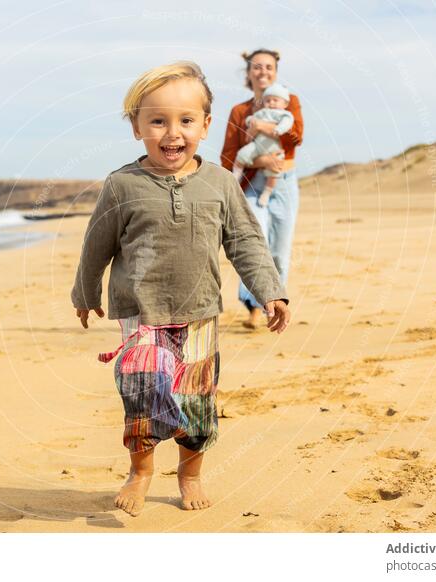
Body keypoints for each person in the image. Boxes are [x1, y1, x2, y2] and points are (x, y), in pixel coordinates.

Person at [71, 62, 291, 517]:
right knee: (142, 391)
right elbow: (97, 244)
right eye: (158, 121)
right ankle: (142, 471)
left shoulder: (220, 183)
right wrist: (86, 294)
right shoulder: (122, 185)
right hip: (140, 312)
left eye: (186, 120)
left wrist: (271, 290)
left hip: (199, 312)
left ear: (205, 125)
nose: (173, 133)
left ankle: (189, 475)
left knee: (195, 399)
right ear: (136, 127)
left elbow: (246, 242)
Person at [221, 49, 303, 330]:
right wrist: (260, 159)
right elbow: (228, 156)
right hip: (253, 186)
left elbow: (295, 137)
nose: (263, 71)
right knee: (256, 246)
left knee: (281, 251)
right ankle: (253, 307)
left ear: (276, 71)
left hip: (285, 183)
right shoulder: (240, 111)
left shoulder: (290, 103)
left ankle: (276, 306)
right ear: (248, 74)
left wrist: (262, 125)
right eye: (257, 67)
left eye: (269, 67)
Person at [232, 83, 294, 208]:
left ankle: (267, 191)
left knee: (273, 172)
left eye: (275, 100)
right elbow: (251, 119)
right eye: (267, 100)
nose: (271, 103)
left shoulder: (284, 114)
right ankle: (236, 176)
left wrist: (279, 129)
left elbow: (287, 123)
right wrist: (250, 121)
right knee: (242, 154)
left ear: (285, 103)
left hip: (274, 149)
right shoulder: (263, 112)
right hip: (257, 145)